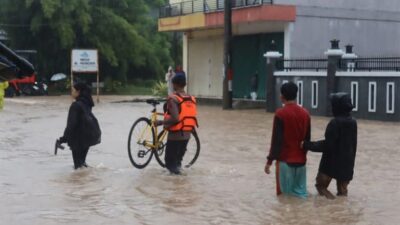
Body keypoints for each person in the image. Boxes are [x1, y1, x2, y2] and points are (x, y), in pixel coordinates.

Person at [302, 93, 357, 199]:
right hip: (347, 164)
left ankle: (331, 205)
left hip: (330, 164)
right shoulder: (353, 122)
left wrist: (307, 145)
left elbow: (327, 145)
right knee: (343, 193)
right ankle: (340, 212)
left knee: (321, 187)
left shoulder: (334, 123)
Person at [264, 82, 311, 199]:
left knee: (284, 199)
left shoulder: (280, 114)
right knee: (301, 197)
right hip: (301, 163)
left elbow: (276, 141)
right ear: (296, 96)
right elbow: (307, 140)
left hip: (285, 162)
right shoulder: (305, 114)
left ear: (282, 96)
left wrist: (269, 161)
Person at [157, 74, 198, 175]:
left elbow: (175, 118)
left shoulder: (173, 99)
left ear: (174, 84)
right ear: (184, 84)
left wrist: (160, 122)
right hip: (187, 136)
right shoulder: (191, 99)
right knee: (177, 164)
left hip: (175, 137)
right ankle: (181, 187)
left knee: (170, 166)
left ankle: (176, 187)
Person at [59, 82, 96, 169]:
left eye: (73, 90)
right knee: (82, 164)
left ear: (78, 92)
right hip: (87, 137)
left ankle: (79, 182)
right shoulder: (87, 103)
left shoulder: (75, 105)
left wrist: (63, 138)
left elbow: (71, 125)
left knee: (78, 167)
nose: (71, 93)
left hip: (77, 139)